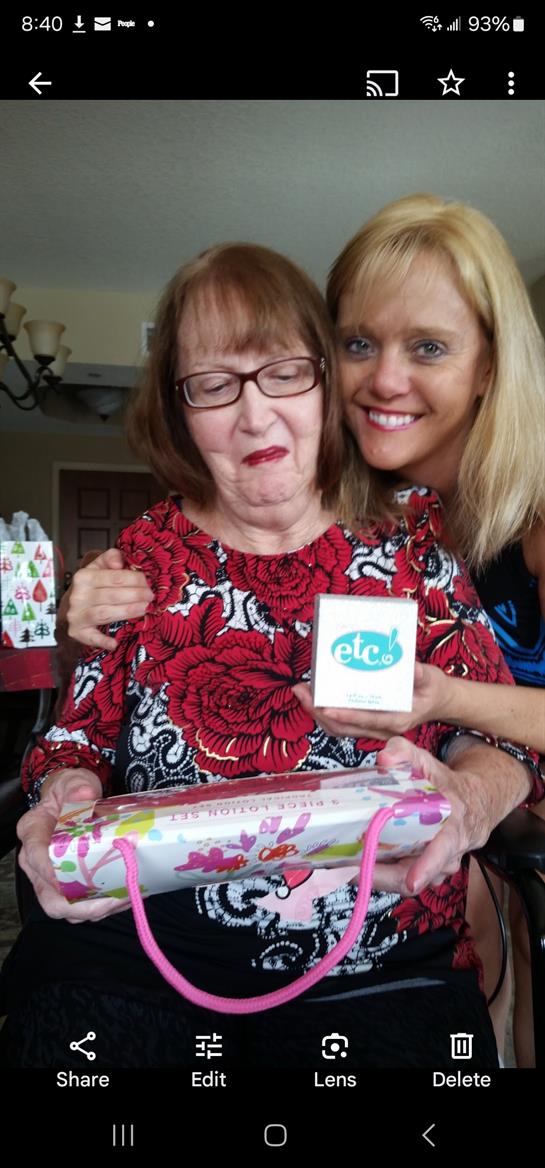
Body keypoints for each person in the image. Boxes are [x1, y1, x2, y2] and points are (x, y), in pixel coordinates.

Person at [4, 241, 540, 1072]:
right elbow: (76, 740)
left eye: (283, 372)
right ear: (179, 412)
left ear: (326, 383)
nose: (254, 416)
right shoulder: (142, 556)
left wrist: (470, 798)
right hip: (135, 949)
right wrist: (64, 793)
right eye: (214, 385)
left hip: (379, 955)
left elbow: (495, 737)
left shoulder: (412, 541)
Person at [306, 192, 545, 1066]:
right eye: (359, 342)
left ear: (488, 365)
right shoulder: (382, 512)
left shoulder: (535, 513)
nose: (384, 380)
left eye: (429, 348)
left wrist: (448, 697)